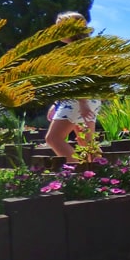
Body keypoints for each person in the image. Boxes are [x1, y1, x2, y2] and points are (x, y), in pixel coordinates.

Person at [44, 12, 102, 162]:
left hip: (79, 100)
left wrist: (82, 102)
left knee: (53, 139)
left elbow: (82, 77)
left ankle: (78, 173)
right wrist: (57, 104)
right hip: (85, 99)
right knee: (87, 143)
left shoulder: (78, 50)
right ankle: (102, 173)